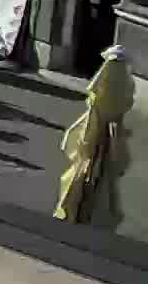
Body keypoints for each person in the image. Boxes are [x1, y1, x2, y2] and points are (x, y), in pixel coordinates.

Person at [55, 45, 135, 225]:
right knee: (105, 178)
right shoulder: (126, 84)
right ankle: (94, 212)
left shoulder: (105, 81)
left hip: (98, 136)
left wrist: (83, 140)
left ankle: (80, 210)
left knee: (86, 172)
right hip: (111, 137)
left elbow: (93, 113)